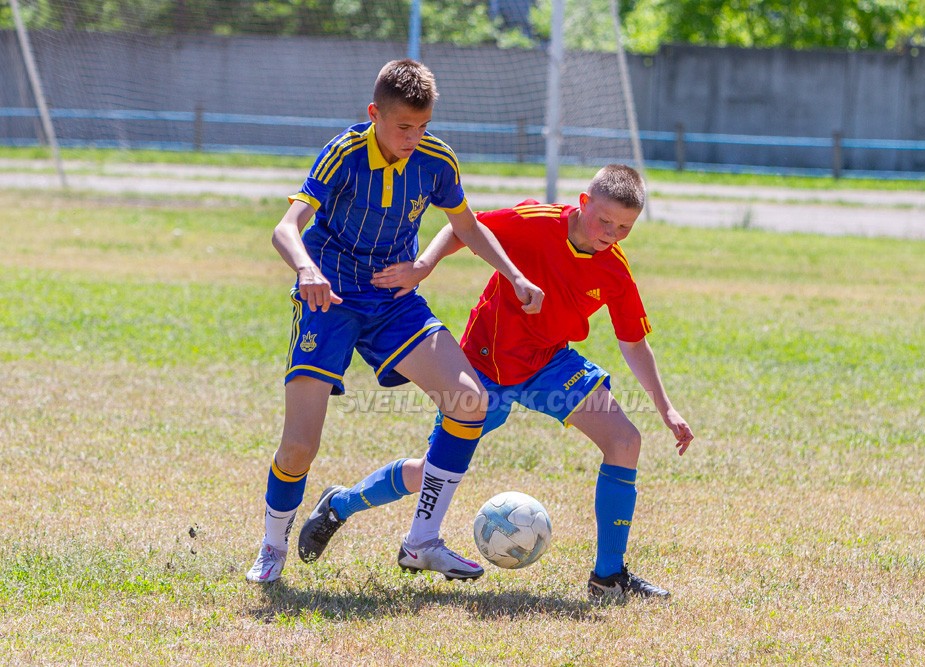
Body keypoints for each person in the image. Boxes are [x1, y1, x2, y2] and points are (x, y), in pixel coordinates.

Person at [298, 164, 694, 599]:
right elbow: (465, 228)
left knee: (624, 441)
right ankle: (340, 505)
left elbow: (634, 344)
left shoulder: (615, 270)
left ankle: (608, 576)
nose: (611, 234)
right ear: (583, 203)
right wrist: (423, 265)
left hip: (549, 363)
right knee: (435, 471)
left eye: (624, 228)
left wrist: (667, 408)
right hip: (484, 365)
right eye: (605, 220)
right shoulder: (534, 222)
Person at [245, 59, 544, 584]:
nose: (414, 137)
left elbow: (467, 228)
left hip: (393, 298)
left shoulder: (436, 160)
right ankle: (272, 547)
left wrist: (514, 276)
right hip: (329, 298)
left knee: (469, 400)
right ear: (375, 114)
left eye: (423, 126)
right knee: (299, 446)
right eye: (404, 126)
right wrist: (306, 268)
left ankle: (422, 541)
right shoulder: (343, 154)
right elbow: (286, 228)